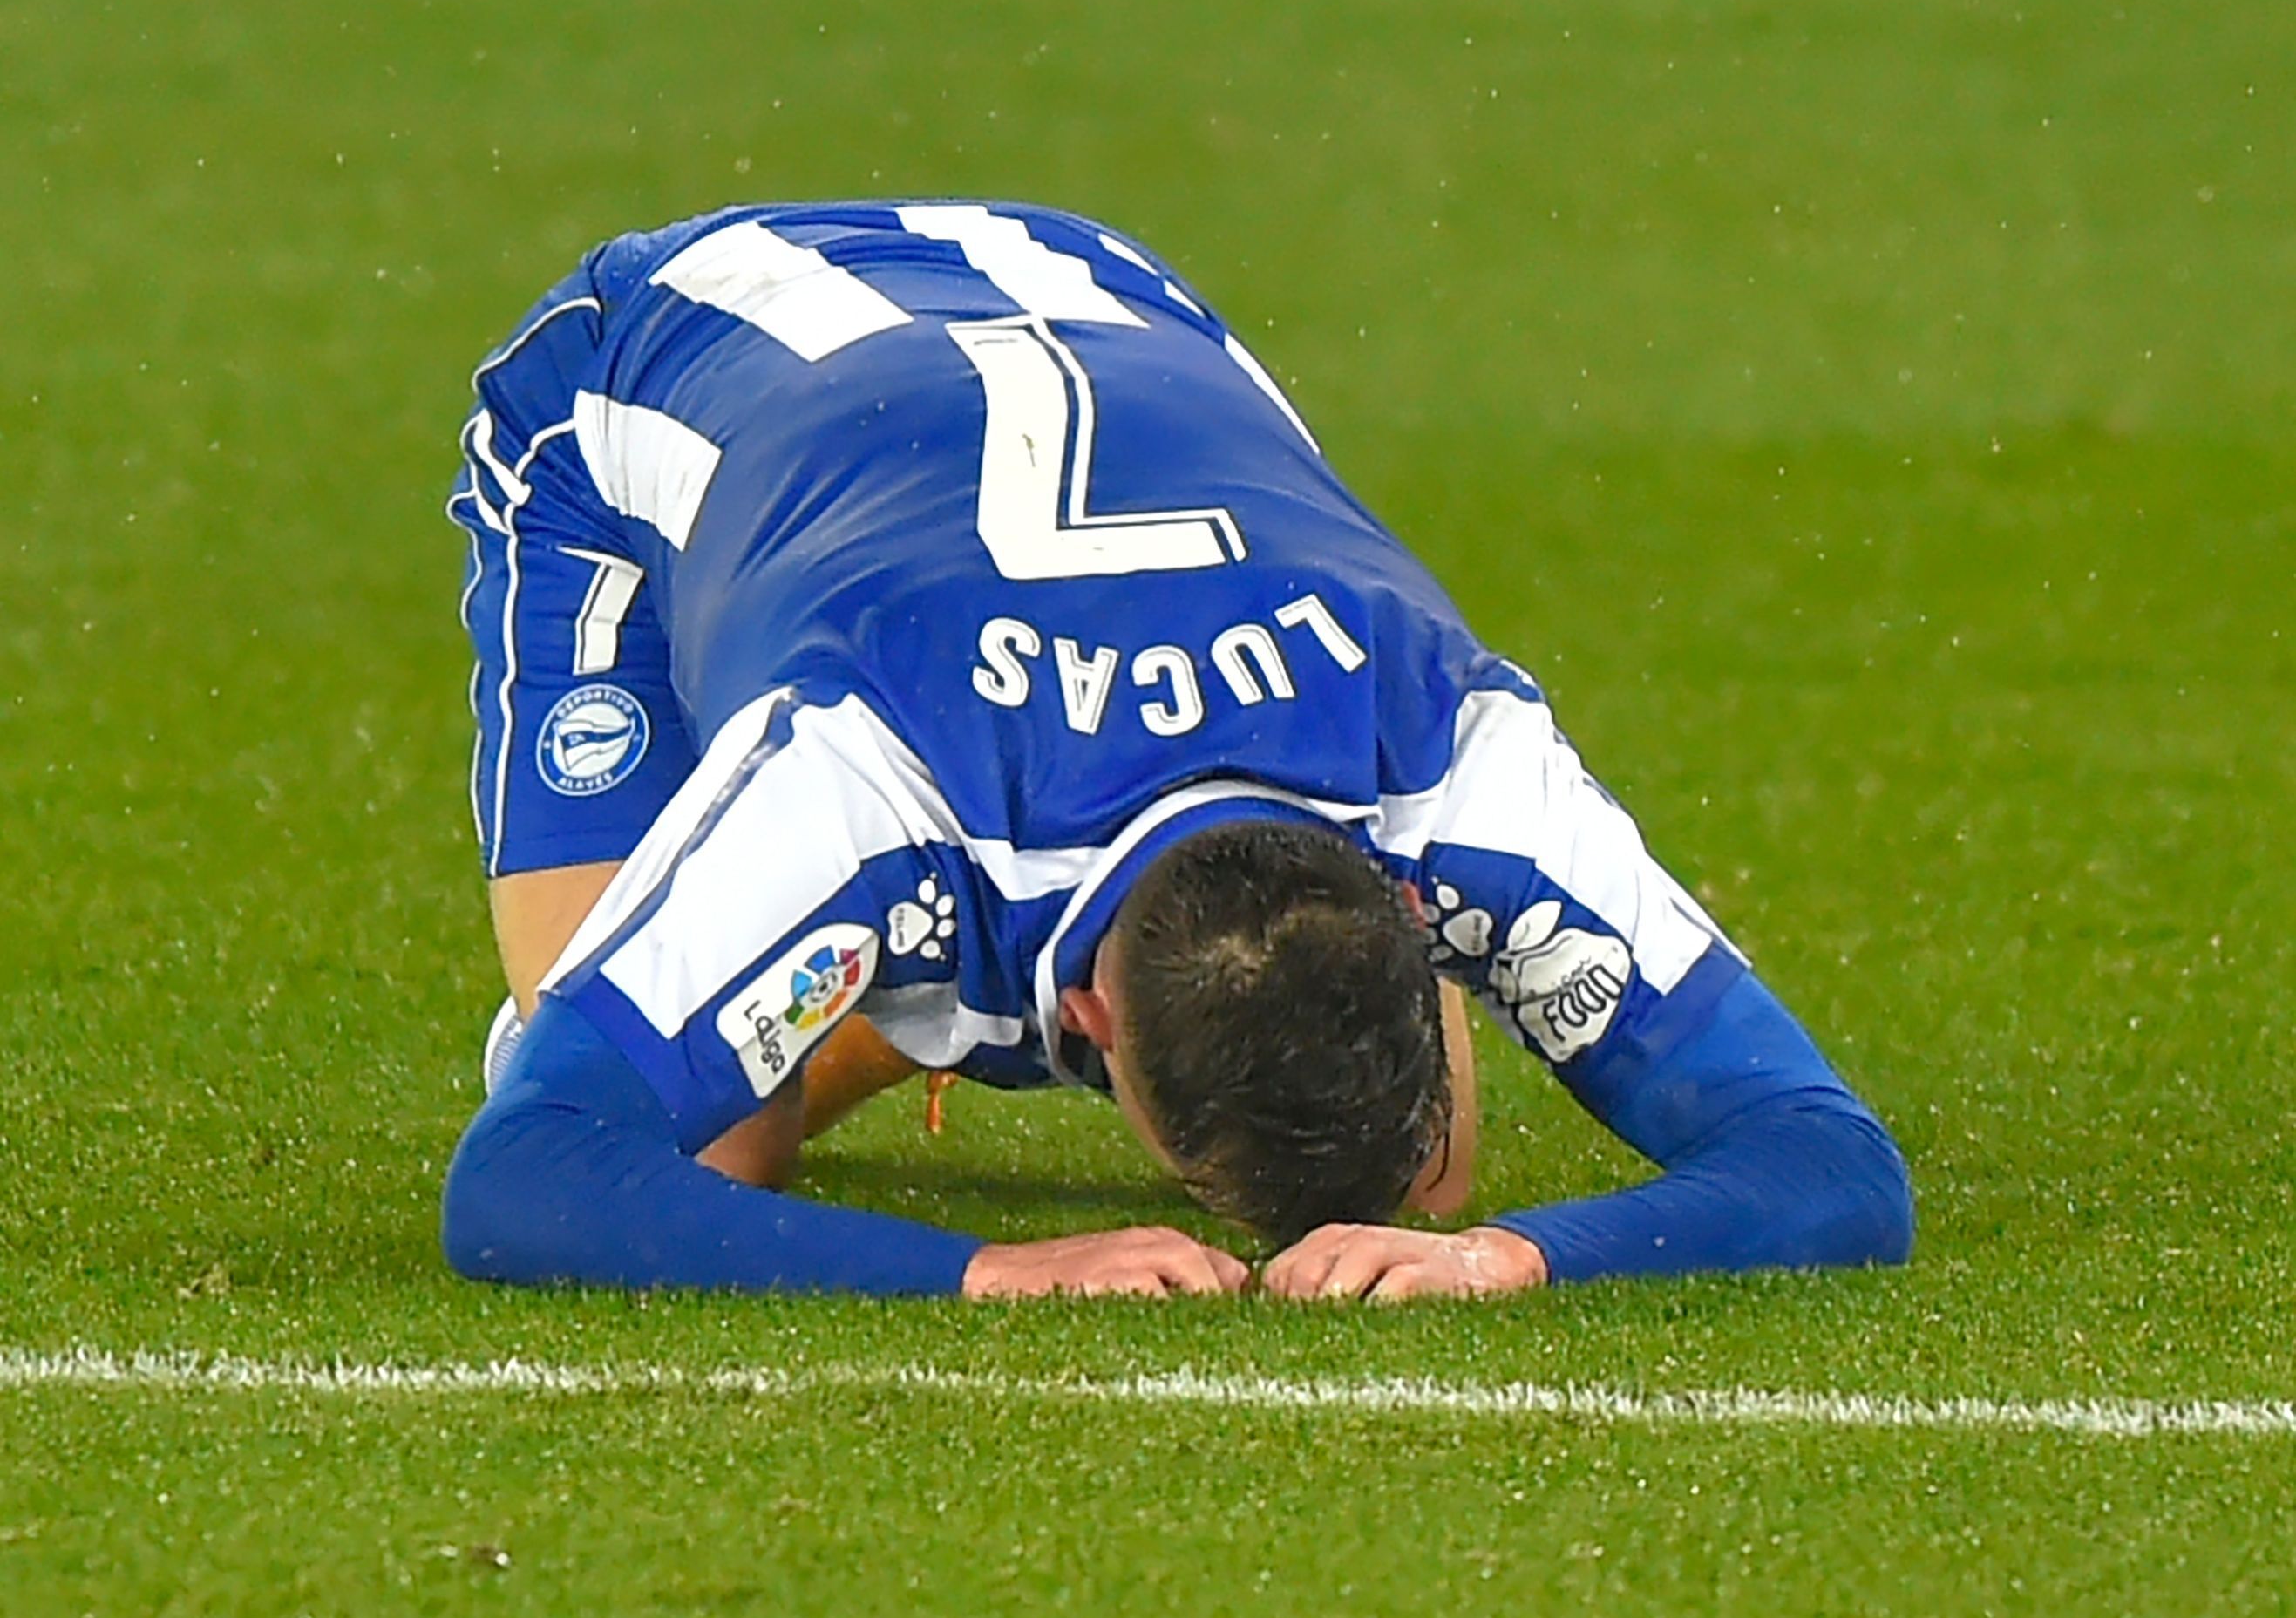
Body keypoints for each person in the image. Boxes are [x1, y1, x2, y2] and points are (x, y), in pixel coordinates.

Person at [440, 198, 1912, 1302]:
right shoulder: (858, 787)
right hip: (642, 386)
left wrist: (1505, 1259)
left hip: (1093, 286)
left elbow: (1829, 1163)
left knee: (1426, 1185)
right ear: (1089, 1019)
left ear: (1416, 907)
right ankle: (866, 997)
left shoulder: (1457, 764)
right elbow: (529, 1178)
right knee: (716, 1166)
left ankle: (847, 988)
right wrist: (990, 1271)